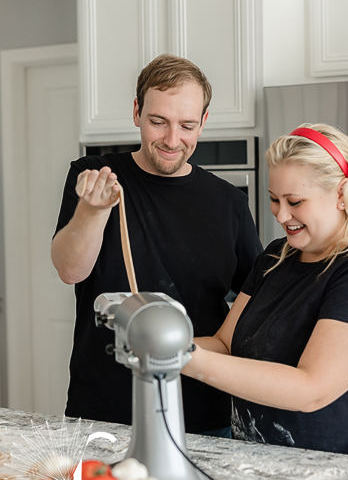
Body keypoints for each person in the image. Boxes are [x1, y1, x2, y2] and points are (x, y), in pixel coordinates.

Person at [180, 124, 348, 480]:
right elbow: (227, 344)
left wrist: (185, 358)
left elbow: (311, 389)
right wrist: (162, 339)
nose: (281, 215)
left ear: (341, 194)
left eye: (295, 201)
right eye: (274, 200)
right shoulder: (273, 258)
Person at [51, 54, 262, 435]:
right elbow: (70, 269)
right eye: (158, 121)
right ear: (136, 112)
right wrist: (93, 211)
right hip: (104, 409)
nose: (171, 139)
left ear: (203, 123)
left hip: (199, 412)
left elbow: (259, 298)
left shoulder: (228, 202)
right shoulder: (95, 177)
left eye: (187, 126)